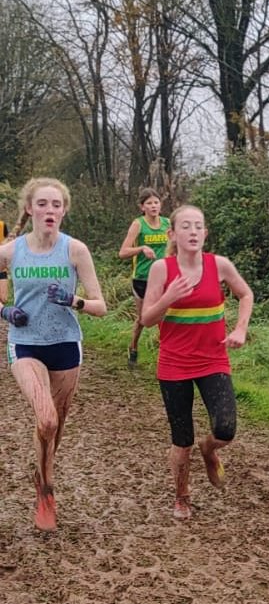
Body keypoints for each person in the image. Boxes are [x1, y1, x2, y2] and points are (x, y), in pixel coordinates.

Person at [0, 177, 107, 531]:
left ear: (64, 211)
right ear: (29, 209)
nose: (50, 210)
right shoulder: (10, 252)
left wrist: (73, 300)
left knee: (55, 427)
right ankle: (46, 488)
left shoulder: (75, 250)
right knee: (45, 419)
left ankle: (43, 471)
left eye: (56, 205)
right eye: (42, 204)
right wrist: (5, 312)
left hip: (65, 345)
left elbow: (100, 306)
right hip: (26, 342)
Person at [140, 204, 253, 520]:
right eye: (185, 226)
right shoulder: (162, 269)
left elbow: (245, 294)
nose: (192, 231)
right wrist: (168, 297)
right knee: (181, 439)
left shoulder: (219, 265)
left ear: (205, 233)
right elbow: (147, 318)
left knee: (226, 428)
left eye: (198, 226)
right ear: (173, 234)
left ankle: (210, 449)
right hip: (174, 364)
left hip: (213, 360)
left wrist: (241, 328)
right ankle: (182, 497)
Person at [118, 188, 170, 368]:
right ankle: (133, 347)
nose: (153, 206)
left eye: (156, 202)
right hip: (142, 277)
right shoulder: (138, 224)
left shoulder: (167, 224)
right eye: (149, 203)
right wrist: (141, 249)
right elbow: (123, 252)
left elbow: (175, 247)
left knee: (164, 317)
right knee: (143, 319)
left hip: (163, 278)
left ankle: (167, 356)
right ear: (142, 207)